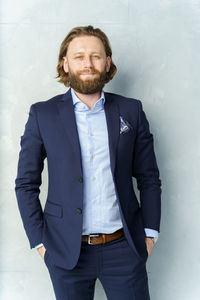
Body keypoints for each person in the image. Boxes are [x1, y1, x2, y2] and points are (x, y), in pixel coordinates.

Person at [15, 25, 161, 300]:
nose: (88, 63)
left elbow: (149, 178)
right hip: (64, 251)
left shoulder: (131, 110)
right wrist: (40, 243)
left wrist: (149, 235)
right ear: (65, 63)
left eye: (95, 56)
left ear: (107, 63)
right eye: (79, 56)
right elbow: (25, 184)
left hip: (124, 248)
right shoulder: (42, 114)